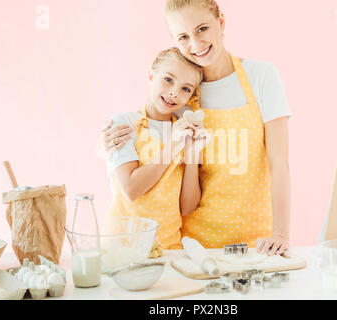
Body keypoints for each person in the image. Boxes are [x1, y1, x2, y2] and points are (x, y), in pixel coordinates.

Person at [101, 0, 292, 255]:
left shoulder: (261, 76)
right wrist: (105, 144)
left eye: (202, 29)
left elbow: (278, 163)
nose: (196, 44)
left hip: (254, 240)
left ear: (220, 22)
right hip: (193, 245)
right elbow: (151, 130)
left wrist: (280, 233)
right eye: (183, 36)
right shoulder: (183, 91)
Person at [103, 47, 210, 249]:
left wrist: (192, 152)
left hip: (168, 248)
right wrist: (173, 145)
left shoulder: (184, 130)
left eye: (185, 89)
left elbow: (187, 207)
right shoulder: (124, 124)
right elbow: (131, 189)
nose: (174, 92)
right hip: (123, 248)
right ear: (151, 76)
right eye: (168, 80)